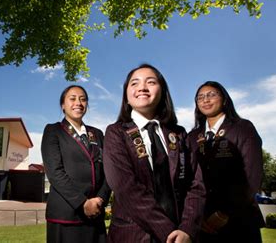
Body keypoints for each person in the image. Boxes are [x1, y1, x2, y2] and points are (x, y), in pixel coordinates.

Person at [103, 64, 205, 243]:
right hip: (133, 235)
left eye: (150, 82)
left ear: (162, 91)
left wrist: (187, 229)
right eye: (134, 83)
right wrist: (168, 232)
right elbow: (126, 188)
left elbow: (196, 185)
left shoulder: (179, 134)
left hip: (181, 234)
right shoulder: (116, 133)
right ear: (126, 95)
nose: (142, 87)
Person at [186, 81, 265, 243]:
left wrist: (225, 213)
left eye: (211, 95)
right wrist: (194, 216)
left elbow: (252, 175)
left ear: (224, 100)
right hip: (201, 224)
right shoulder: (192, 137)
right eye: (200, 97)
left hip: (238, 222)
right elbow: (186, 178)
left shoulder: (242, 128)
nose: (205, 100)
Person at [41, 85, 111, 243]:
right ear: (63, 105)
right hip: (66, 215)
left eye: (83, 99)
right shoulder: (53, 131)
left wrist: (100, 199)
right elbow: (55, 172)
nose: (78, 102)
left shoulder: (98, 134)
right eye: (72, 99)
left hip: (95, 214)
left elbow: (109, 171)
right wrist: (82, 203)